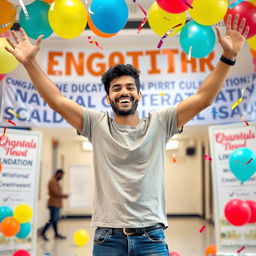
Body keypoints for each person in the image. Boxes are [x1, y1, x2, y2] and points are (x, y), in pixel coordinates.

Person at [5, 14, 249, 255]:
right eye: (116, 88)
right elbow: (57, 100)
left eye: (130, 87)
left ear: (139, 95)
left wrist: (228, 57)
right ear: (108, 97)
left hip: (151, 237)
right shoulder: (96, 124)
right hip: (107, 238)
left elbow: (202, 99)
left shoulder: (160, 122)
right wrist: (29, 63)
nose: (124, 92)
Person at [40, 169, 68, 241]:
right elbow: (55, 193)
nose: (62, 177)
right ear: (58, 174)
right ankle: (42, 232)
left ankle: (56, 234)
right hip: (53, 204)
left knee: (55, 220)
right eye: (61, 175)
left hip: (56, 204)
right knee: (52, 219)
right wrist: (63, 195)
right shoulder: (52, 181)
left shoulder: (55, 181)